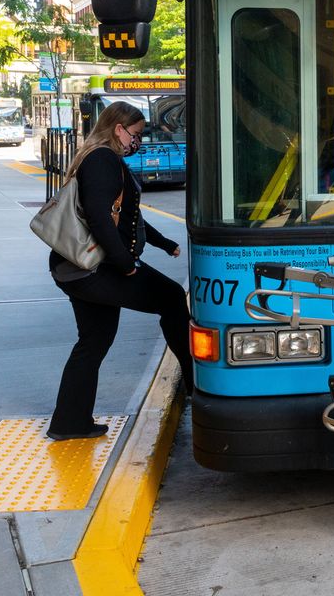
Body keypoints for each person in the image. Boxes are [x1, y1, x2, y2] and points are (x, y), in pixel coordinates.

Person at [46, 101, 194, 441]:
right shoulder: (103, 159)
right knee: (172, 298)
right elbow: (100, 217)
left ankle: (70, 422)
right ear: (118, 129)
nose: (137, 142)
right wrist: (127, 266)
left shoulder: (99, 158)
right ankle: (194, 384)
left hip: (77, 267)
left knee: (94, 340)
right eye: (136, 134)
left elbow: (126, 215)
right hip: (95, 268)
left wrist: (161, 242)